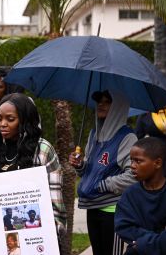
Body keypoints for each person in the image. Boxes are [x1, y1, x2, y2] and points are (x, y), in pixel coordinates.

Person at [0, 93, 66, 254]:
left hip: (34, 241)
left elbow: (55, 204)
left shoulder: (42, 150)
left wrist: (48, 236)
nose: (2, 124)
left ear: (24, 121)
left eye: (10, 119)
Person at [69, 90, 137, 255]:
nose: (101, 104)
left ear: (118, 107)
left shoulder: (128, 138)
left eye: (107, 101)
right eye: (99, 100)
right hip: (92, 206)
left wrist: (102, 185)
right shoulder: (94, 134)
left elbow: (133, 176)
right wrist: (80, 165)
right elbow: (90, 171)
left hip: (113, 210)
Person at [115, 137, 166, 255]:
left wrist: (148, 243)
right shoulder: (130, 194)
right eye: (131, 160)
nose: (132, 166)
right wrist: (157, 241)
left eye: (138, 161)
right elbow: (124, 227)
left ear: (158, 163)